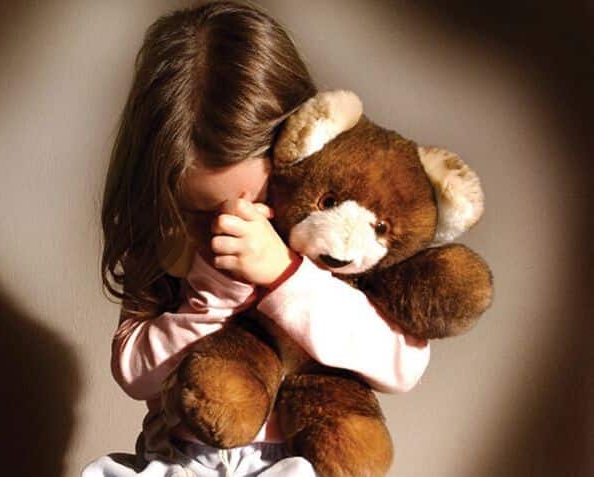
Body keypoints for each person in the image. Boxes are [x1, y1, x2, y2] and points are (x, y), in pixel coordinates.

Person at [83, 1, 430, 476]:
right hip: (184, 458)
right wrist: (212, 298)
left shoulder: (335, 240)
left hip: (296, 460)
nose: (232, 225)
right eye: (202, 212)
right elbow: (136, 375)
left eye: (260, 201)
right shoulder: (173, 238)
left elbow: (402, 366)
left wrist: (286, 277)